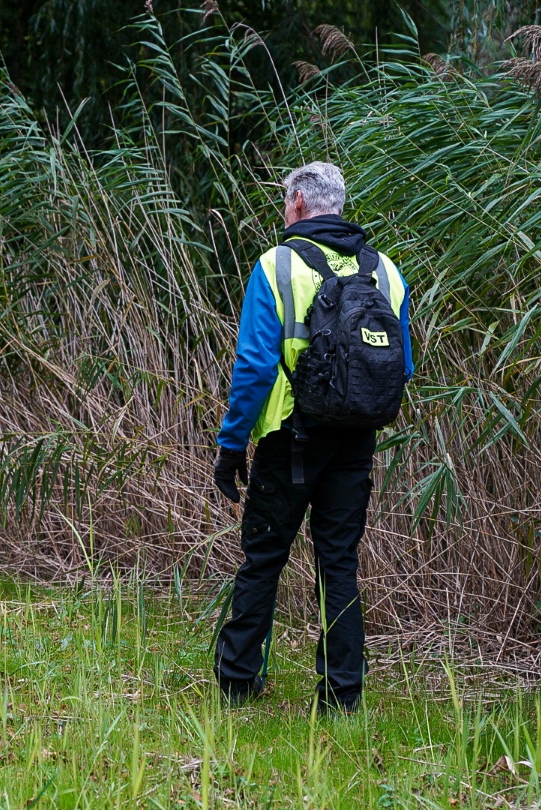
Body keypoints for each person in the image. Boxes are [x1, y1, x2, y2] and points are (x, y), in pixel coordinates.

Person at [211, 162, 412, 714]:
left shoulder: (276, 265)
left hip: (288, 441)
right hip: (355, 442)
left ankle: (238, 683)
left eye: (284, 201)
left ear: (298, 201)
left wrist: (231, 447)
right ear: (338, 204)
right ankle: (342, 697)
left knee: (263, 559)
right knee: (339, 564)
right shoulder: (387, 272)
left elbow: (253, 367)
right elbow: (403, 368)